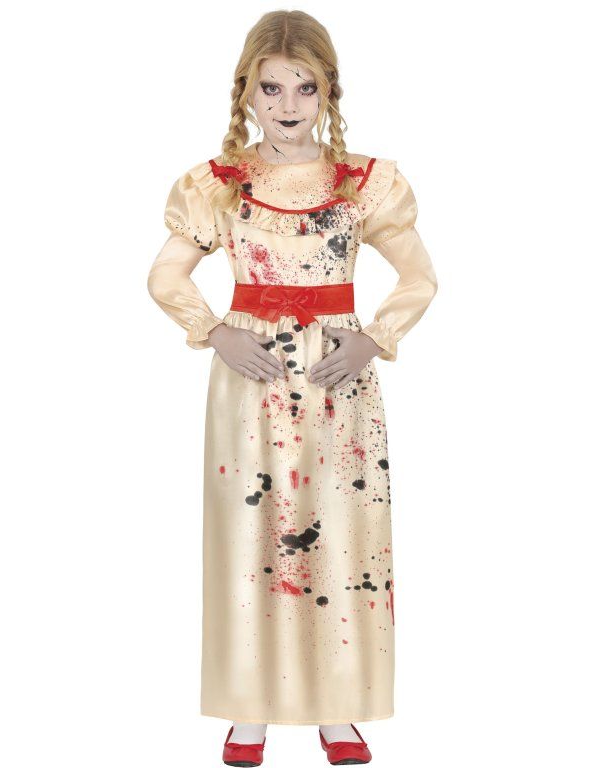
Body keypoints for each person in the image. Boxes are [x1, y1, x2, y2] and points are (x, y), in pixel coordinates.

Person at [147, 10, 437, 766]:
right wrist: (215, 330)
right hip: (252, 376)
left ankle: (339, 707)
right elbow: (166, 275)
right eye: (270, 87)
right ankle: (249, 709)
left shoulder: (362, 183)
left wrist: (375, 337)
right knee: (250, 530)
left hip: (339, 378)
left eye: (305, 87)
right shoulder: (219, 184)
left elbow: (418, 276)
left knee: (341, 528)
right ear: (245, 91)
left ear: (328, 90)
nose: (287, 104)